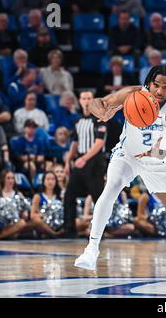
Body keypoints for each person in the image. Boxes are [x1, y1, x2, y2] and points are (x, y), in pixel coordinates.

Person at [74, 65, 166, 279]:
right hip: (127, 155)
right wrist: (102, 110)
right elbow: (99, 102)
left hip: (156, 159)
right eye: (156, 85)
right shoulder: (133, 94)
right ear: (149, 83)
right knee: (110, 189)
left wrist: (157, 151)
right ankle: (92, 249)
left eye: (165, 87)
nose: (160, 91)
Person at [62, 90, 107, 238]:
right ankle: (69, 230)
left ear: (92, 100)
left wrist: (85, 158)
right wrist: (68, 161)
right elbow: (75, 142)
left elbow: (99, 143)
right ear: (80, 101)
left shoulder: (99, 119)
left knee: (98, 197)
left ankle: (101, 230)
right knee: (69, 195)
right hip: (80, 159)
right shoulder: (77, 121)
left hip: (94, 161)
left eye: (89, 98)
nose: (86, 101)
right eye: (84, 98)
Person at [30, 171, 64, 237]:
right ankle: (54, 234)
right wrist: (44, 215)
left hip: (59, 222)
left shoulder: (60, 196)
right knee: (37, 221)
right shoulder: (38, 196)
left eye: (53, 179)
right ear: (43, 181)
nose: (50, 182)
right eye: (48, 179)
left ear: (56, 181)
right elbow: (32, 215)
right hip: (44, 222)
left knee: (76, 222)